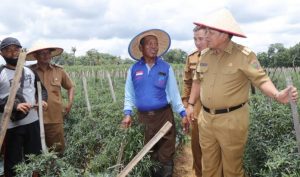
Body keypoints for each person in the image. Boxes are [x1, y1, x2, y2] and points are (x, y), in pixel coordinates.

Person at [187, 9, 298, 177]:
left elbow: (261, 79)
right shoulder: (205, 55)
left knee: (232, 169)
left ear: (224, 35)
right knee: (209, 167)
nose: (206, 35)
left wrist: (277, 95)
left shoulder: (244, 55)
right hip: (206, 119)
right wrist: (190, 104)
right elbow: (197, 80)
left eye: (210, 31)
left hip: (232, 120)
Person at [121, 29, 189, 177]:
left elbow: (174, 93)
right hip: (143, 119)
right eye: (150, 44)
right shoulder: (133, 69)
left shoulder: (166, 68)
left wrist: (183, 113)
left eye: (156, 44)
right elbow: (129, 95)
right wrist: (127, 113)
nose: (154, 47)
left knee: (166, 154)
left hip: (164, 117)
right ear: (141, 48)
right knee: (147, 154)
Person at [0, 37, 48, 177]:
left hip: (33, 123)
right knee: (13, 164)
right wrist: (15, 106)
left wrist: (43, 100)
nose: (13, 52)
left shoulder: (30, 71)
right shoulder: (1, 73)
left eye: (17, 49)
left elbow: (42, 90)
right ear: (1, 53)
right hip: (11, 126)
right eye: (9, 50)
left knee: (35, 159)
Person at [26, 43, 75, 155]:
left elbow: (70, 86)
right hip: (34, 118)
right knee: (35, 152)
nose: (46, 55)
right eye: (42, 53)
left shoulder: (59, 71)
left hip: (55, 118)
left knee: (57, 150)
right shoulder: (29, 71)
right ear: (36, 56)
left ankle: (56, 172)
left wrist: (70, 103)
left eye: (48, 53)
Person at [181, 26, 207, 177]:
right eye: (195, 39)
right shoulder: (191, 57)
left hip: (216, 110)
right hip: (196, 110)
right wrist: (186, 107)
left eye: (201, 38)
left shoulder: (218, 56)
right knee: (197, 149)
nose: (197, 42)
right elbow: (187, 84)